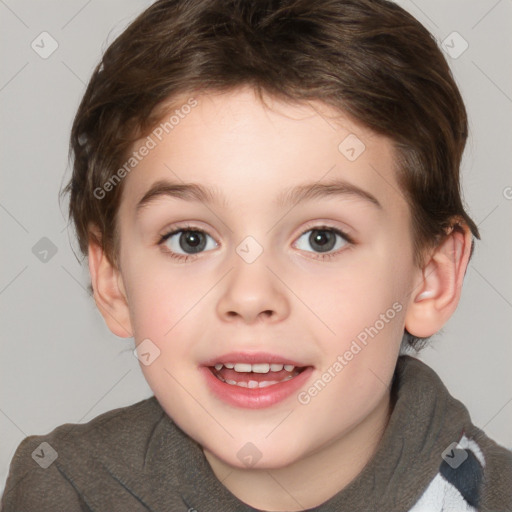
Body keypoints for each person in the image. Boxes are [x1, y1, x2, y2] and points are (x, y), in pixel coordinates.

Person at [2, 0, 511, 510]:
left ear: (431, 277)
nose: (250, 297)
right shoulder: (62, 490)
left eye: (322, 238)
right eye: (190, 239)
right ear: (112, 279)